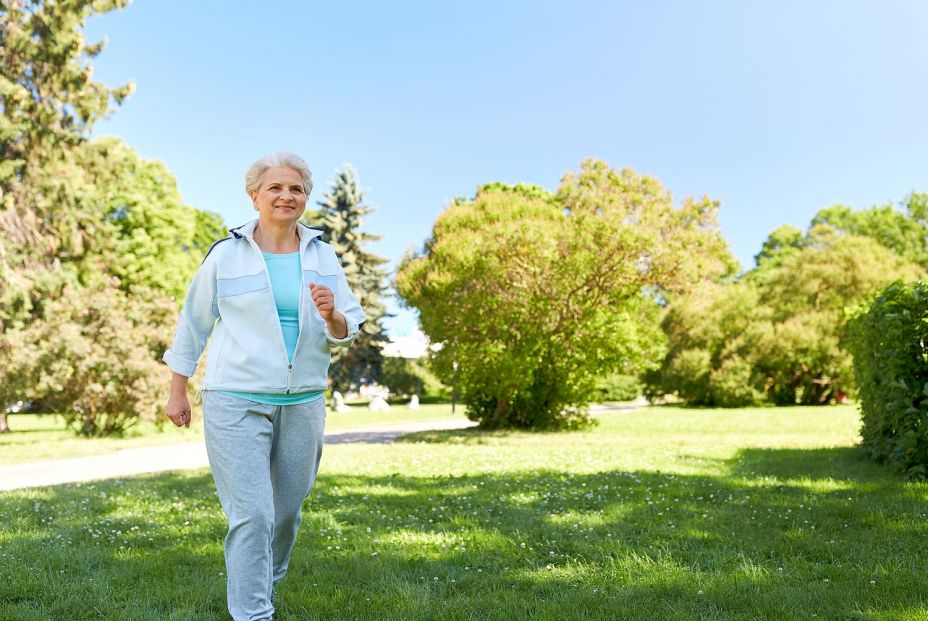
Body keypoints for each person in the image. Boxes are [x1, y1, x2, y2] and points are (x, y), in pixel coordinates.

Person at [162, 151, 365, 621]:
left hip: (304, 402)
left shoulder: (322, 255)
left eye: (295, 188)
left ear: (305, 199)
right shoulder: (226, 255)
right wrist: (178, 388)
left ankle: (263, 586)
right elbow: (192, 323)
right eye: (274, 187)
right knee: (253, 514)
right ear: (254, 196)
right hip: (235, 399)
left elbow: (348, 324)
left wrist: (332, 312)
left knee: (286, 515)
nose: (285, 195)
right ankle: (253, 613)